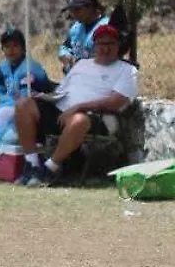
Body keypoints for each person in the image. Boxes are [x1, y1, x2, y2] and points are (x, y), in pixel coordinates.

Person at [14, 24, 138, 187]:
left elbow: (117, 101)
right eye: (101, 44)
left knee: (79, 120)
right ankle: (32, 165)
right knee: (24, 104)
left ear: (118, 46)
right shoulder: (82, 64)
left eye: (110, 44)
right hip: (63, 110)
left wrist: (80, 107)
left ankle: (49, 169)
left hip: (97, 117)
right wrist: (45, 96)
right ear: (95, 45)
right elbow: (62, 90)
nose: (105, 48)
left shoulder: (126, 70)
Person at [0, 27, 53, 161]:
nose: (11, 50)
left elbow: (25, 99)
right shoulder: (5, 66)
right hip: (6, 106)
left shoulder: (31, 68)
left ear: (23, 48)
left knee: (3, 113)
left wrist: (3, 102)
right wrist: (3, 101)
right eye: (7, 46)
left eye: (15, 45)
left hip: (28, 114)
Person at [58, 0, 111, 74]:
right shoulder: (76, 28)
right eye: (71, 10)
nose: (74, 13)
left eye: (78, 9)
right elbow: (66, 47)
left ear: (90, 7)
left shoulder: (106, 27)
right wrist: (65, 56)